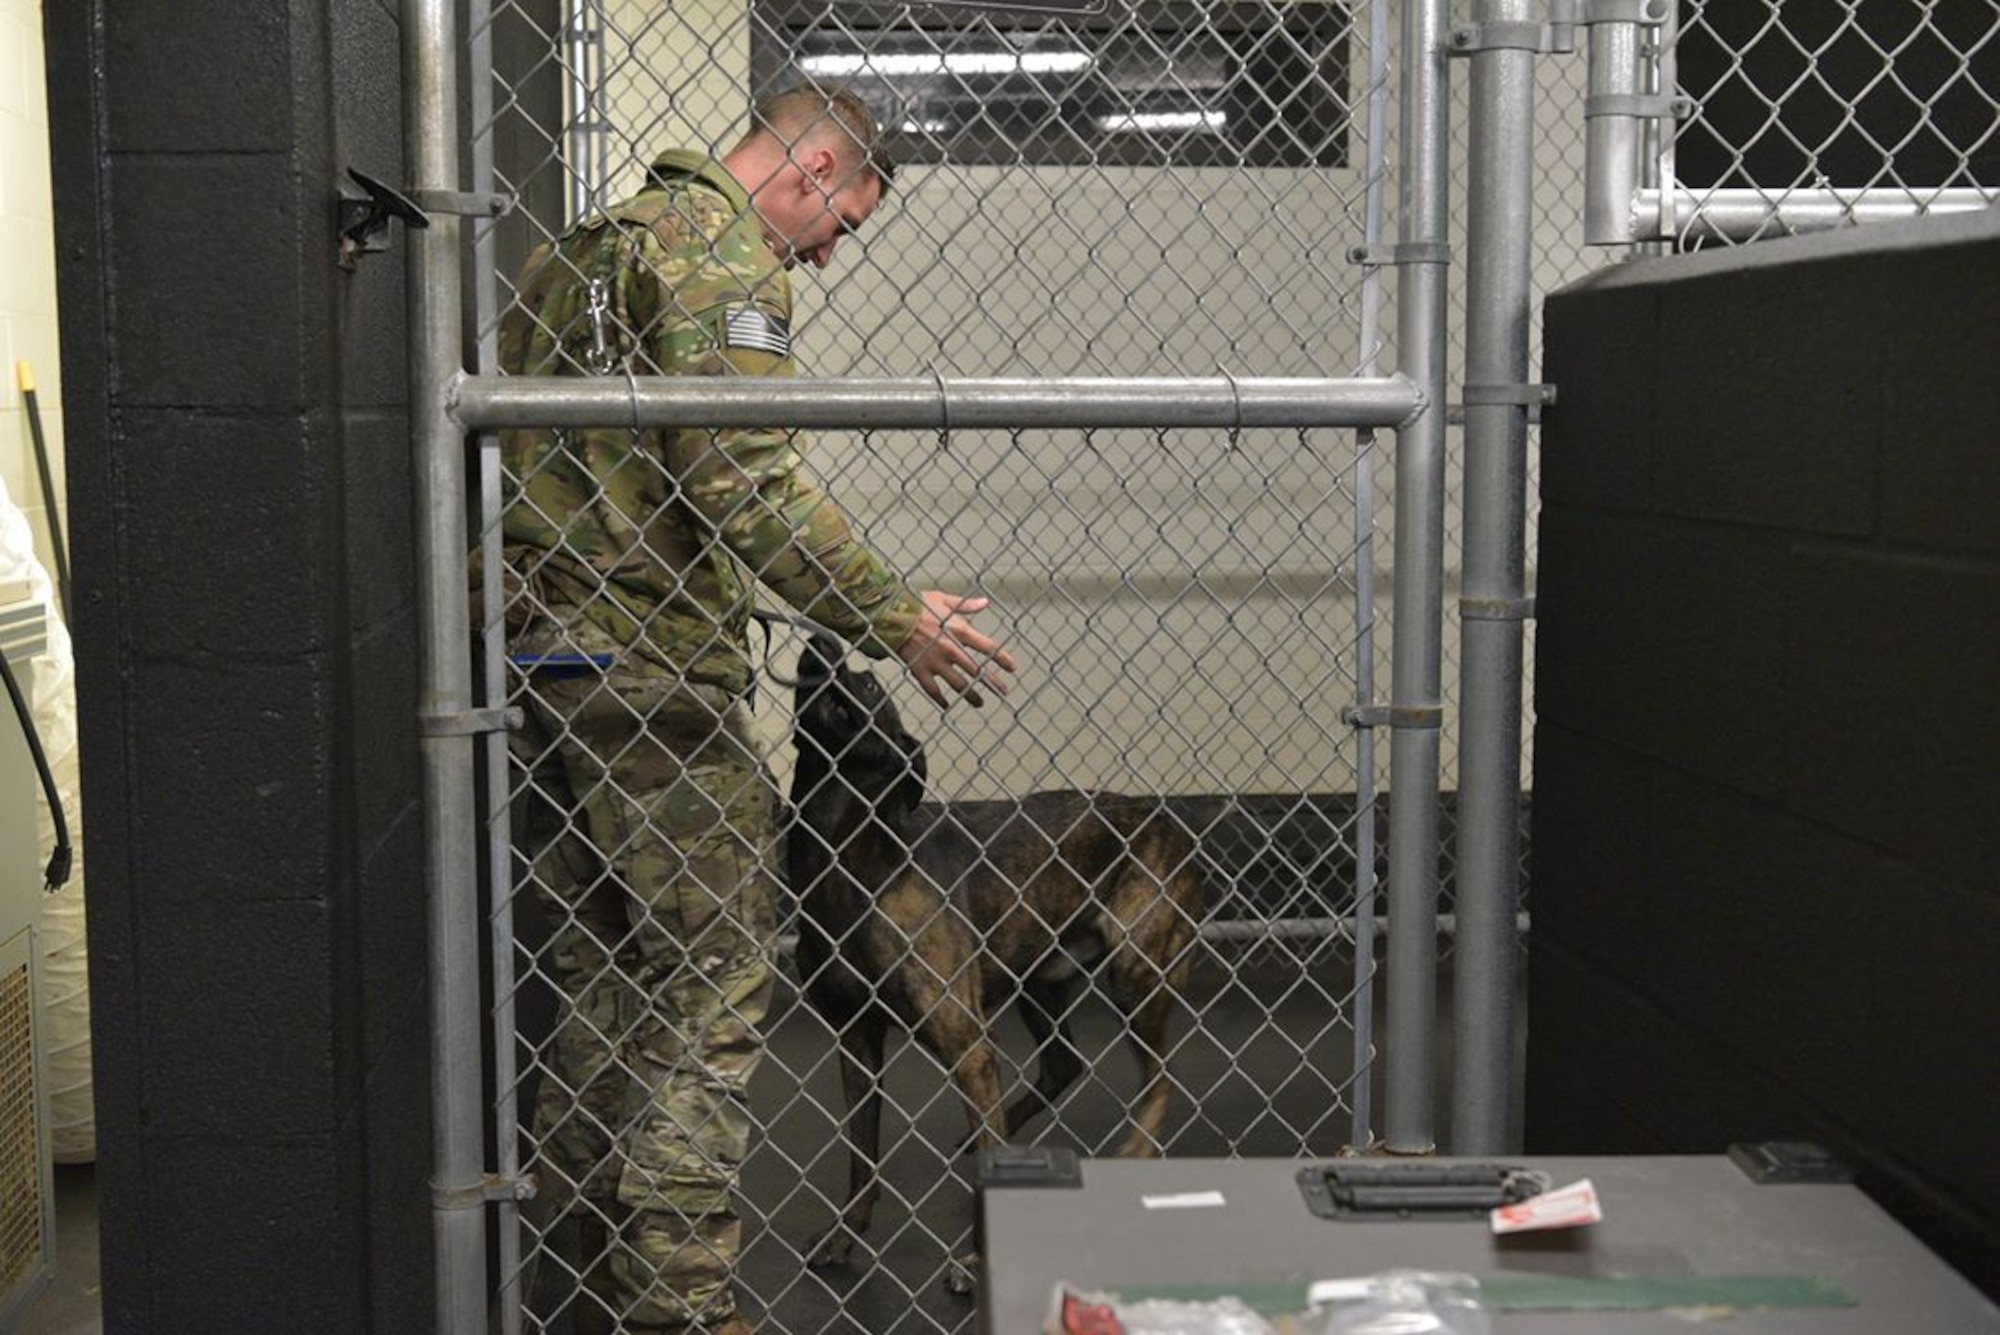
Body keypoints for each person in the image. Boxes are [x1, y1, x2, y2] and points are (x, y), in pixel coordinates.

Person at [498, 83, 1016, 1335]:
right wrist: (894, 615)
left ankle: (579, 1278)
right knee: (720, 973)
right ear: (819, 162)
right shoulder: (722, 258)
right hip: (653, 671)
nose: (829, 251)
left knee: (597, 974)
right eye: (842, 220)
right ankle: (681, 1303)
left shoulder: (583, 248)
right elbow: (745, 483)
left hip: (541, 657)